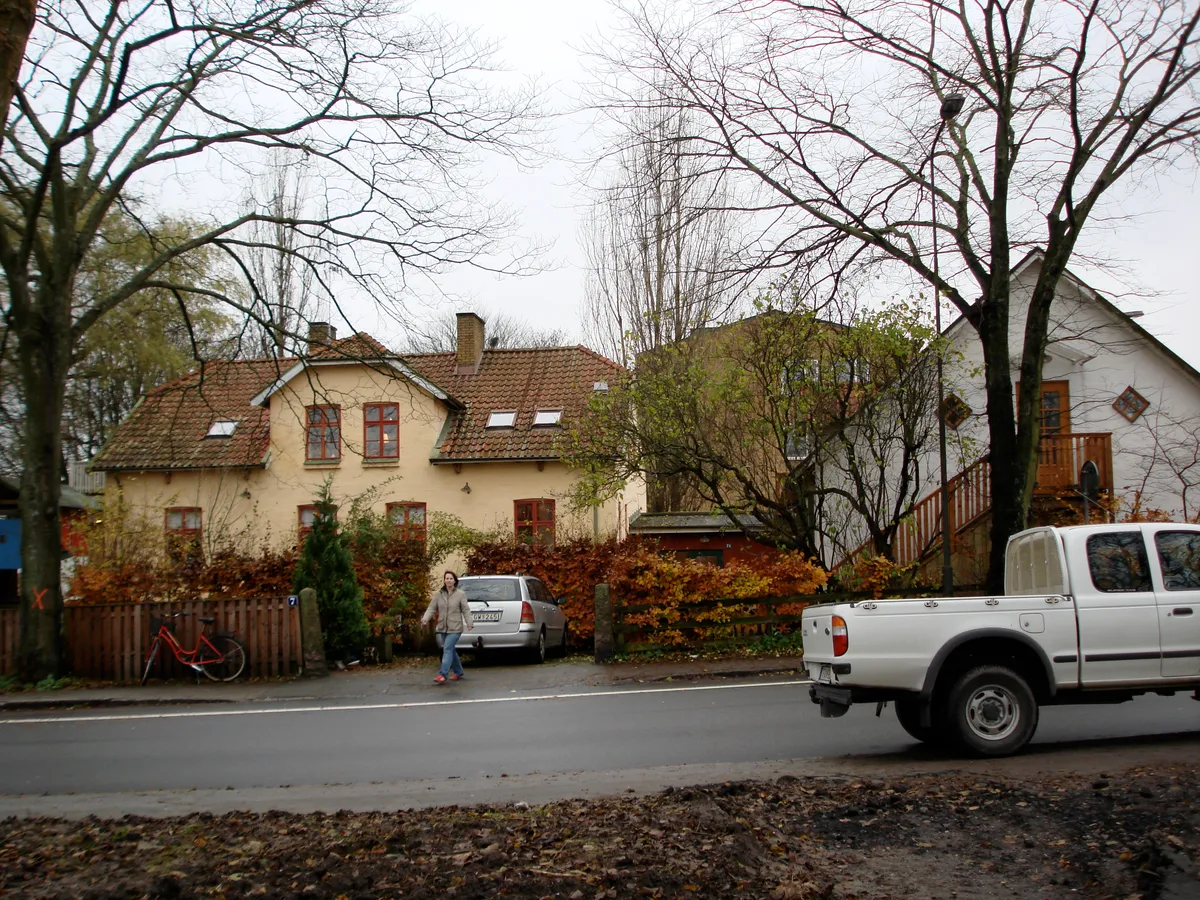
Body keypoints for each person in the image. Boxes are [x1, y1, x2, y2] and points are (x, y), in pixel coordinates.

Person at [421, 571, 474, 684]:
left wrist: (469, 623)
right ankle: (458, 672)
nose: (449, 580)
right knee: (451, 650)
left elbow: (465, 610)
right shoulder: (439, 594)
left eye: (451, 578)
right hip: (442, 627)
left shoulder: (460, 594)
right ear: (444, 580)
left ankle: (443, 674)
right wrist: (425, 619)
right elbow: (432, 608)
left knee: (447, 649)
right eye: (447, 578)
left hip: (455, 628)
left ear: (454, 581)